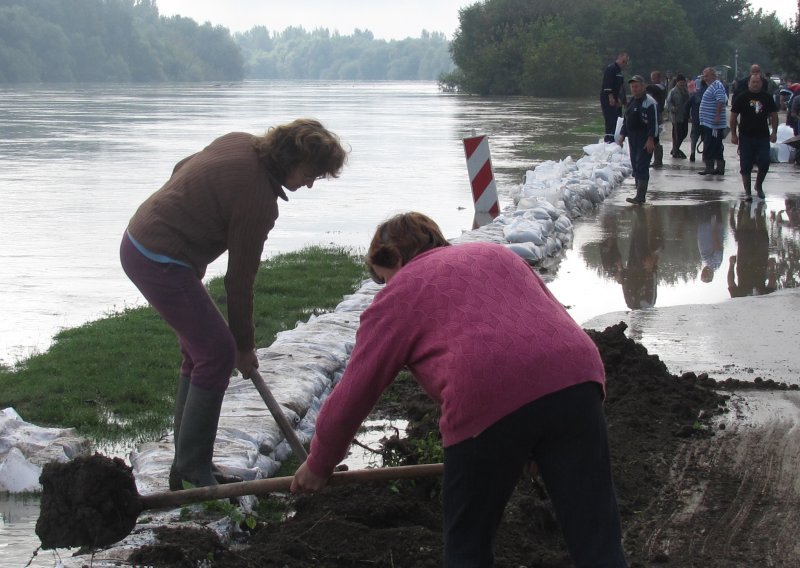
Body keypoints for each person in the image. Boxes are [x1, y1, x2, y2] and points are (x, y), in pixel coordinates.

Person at [290, 212, 628, 568]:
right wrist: (534, 443)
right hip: (577, 378)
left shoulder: (400, 293)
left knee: (469, 543)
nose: (385, 286)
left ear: (395, 259)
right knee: (596, 535)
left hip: (487, 395)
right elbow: (542, 325)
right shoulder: (496, 255)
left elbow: (356, 391)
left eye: (384, 277)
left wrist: (320, 462)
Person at [120, 119, 348, 490]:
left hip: (142, 241)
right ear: (293, 158)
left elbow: (183, 167)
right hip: (160, 259)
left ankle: (186, 465)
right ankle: (194, 470)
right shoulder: (258, 199)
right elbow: (239, 281)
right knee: (217, 353)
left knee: (201, 353)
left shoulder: (238, 142)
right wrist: (243, 346)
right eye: (311, 173)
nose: (309, 183)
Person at [730, 74, 778, 200]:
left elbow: (774, 115)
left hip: (762, 136)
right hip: (746, 136)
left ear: (761, 84)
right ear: (749, 83)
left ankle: (758, 185)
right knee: (745, 165)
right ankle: (748, 191)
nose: (755, 84)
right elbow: (733, 116)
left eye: (758, 82)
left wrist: (774, 133)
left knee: (764, 162)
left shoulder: (767, 97)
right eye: (753, 82)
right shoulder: (742, 97)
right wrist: (734, 134)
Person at [619, 75, 658, 205]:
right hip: (633, 137)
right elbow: (626, 119)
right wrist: (622, 134)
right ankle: (638, 193)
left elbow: (654, 123)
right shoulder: (632, 101)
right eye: (632, 87)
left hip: (645, 138)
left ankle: (640, 196)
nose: (634, 89)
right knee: (635, 165)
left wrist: (651, 139)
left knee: (642, 165)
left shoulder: (649, 102)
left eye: (636, 86)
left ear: (643, 87)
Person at [698, 67, 728, 176]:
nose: (704, 78)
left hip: (714, 124)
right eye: (704, 75)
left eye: (706, 75)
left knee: (711, 145)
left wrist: (717, 116)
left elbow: (720, 101)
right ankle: (717, 168)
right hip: (708, 123)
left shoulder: (717, 86)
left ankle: (710, 167)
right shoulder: (712, 86)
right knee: (714, 145)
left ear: (713, 75)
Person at [600, 52, 630, 143]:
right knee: (610, 120)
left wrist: (624, 100)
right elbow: (607, 84)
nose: (624, 64)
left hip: (617, 100)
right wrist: (611, 97)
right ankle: (609, 140)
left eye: (626, 62)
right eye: (623, 61)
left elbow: (621, 87)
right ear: (619, 59)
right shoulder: (611, 68)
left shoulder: (619, 72)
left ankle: (615, 139)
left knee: (617, 120)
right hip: (608, 99)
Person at [666, 74, 690, 158]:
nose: (682, 83)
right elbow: (668, 102)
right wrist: (672, 108)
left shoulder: (686, 91)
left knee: (684, 133)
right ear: (677, 82)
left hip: (684, 115)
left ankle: (675, 149)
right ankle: (675, 150)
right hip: (676, 116)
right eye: (680, 82)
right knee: (677, 134)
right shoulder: (673, 91)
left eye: (683, 82)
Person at [646, 70, 667, 167]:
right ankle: (656, 160)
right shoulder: (658, 87)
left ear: (658, 78)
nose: (652, 80)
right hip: (656, 113)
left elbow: (650, 88)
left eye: (654, 78)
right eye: (651, 78)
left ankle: (658, 160)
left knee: (655, 136)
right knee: (655, 136)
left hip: (657, 114)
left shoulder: (660, 87)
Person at [686, 78, 707, 162]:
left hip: (696, 120)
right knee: (706, 138)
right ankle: (705, 155)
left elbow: (687, 105)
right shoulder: (710, 94)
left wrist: (688, 116)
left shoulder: (695, 94)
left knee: (694, 137)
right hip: (707, 121)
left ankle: (692, 152)